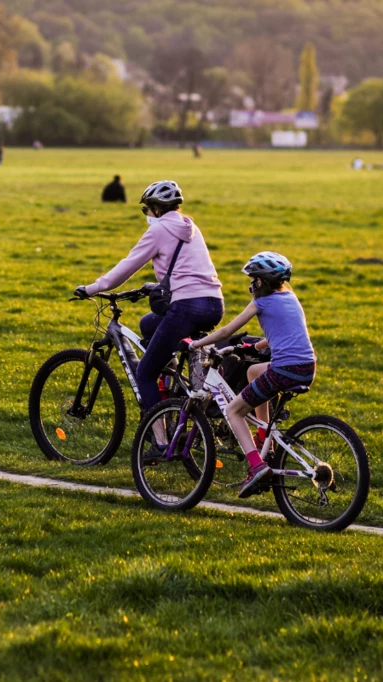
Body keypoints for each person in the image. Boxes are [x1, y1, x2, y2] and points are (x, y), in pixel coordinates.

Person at [74, 180, 224, 412]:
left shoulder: (158, 230)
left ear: (156, 208)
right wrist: (156, 285)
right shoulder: (191, 227)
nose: (146, 214)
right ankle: (172, 383)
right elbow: (191, 272)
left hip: (186, 307)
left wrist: (91, 288)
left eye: (146, 209)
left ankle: (160, 440)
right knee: (148, 324)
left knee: (144, 373)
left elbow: (126, 267)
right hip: (214, 304)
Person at [189, 252, 316, 498]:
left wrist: (196, 344)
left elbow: (227, 329)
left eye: (254, 280)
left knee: (234, 411)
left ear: (262, 282)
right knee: (253, 371)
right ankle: (261, 437)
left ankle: (256, 466)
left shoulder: (262, 302)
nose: (251, 284)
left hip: (284, 369)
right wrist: (251, 347)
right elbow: (278, 336)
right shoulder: (289, 297)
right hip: (306, 367)